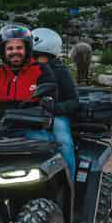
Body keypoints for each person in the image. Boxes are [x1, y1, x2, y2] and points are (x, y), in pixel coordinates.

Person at [31, 27, 79, 179]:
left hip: (55, 115)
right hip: (26, 114)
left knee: (63, 142)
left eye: (36, 56)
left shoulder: (59, 71)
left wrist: (54, 108)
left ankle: (70, 182)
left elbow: (74, 101)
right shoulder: (22, 69)